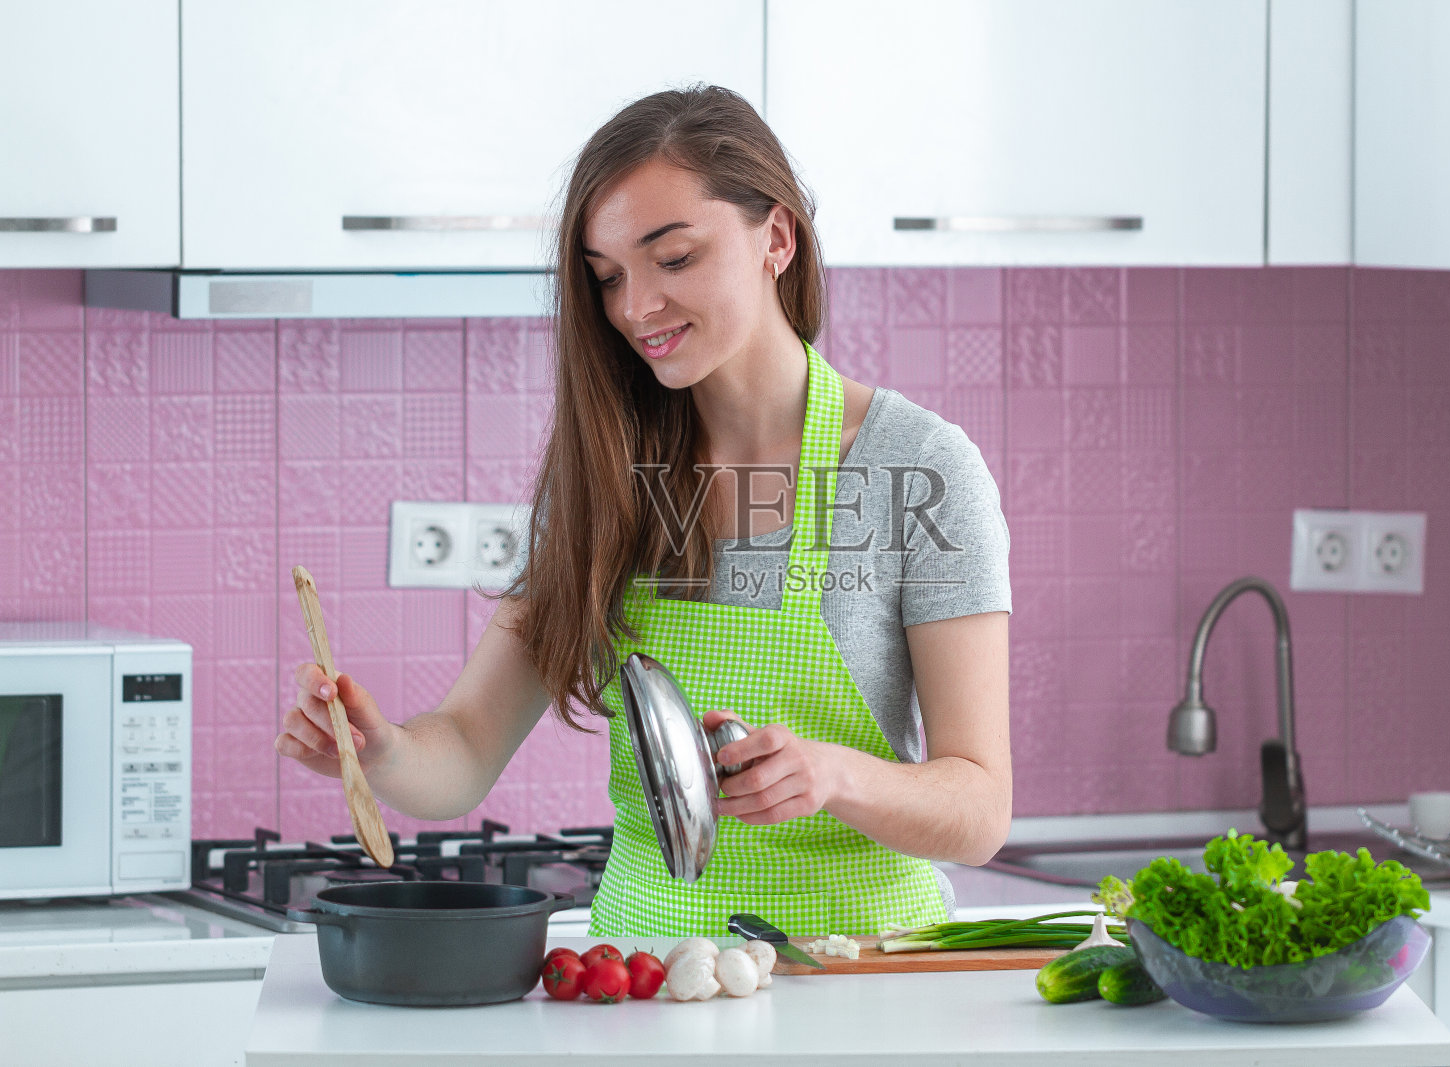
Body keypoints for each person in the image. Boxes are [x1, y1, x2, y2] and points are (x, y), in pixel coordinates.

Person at [276, 85, 1012, 937]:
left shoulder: (914, 466)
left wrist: (836, 776)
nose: (635, 308)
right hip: (646, 973)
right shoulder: (606, 472)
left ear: (776, 238)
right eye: (609, 277)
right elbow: (467, 749)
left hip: (860, 973)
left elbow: (979, 807)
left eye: (674, 258)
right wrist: (381, 752)